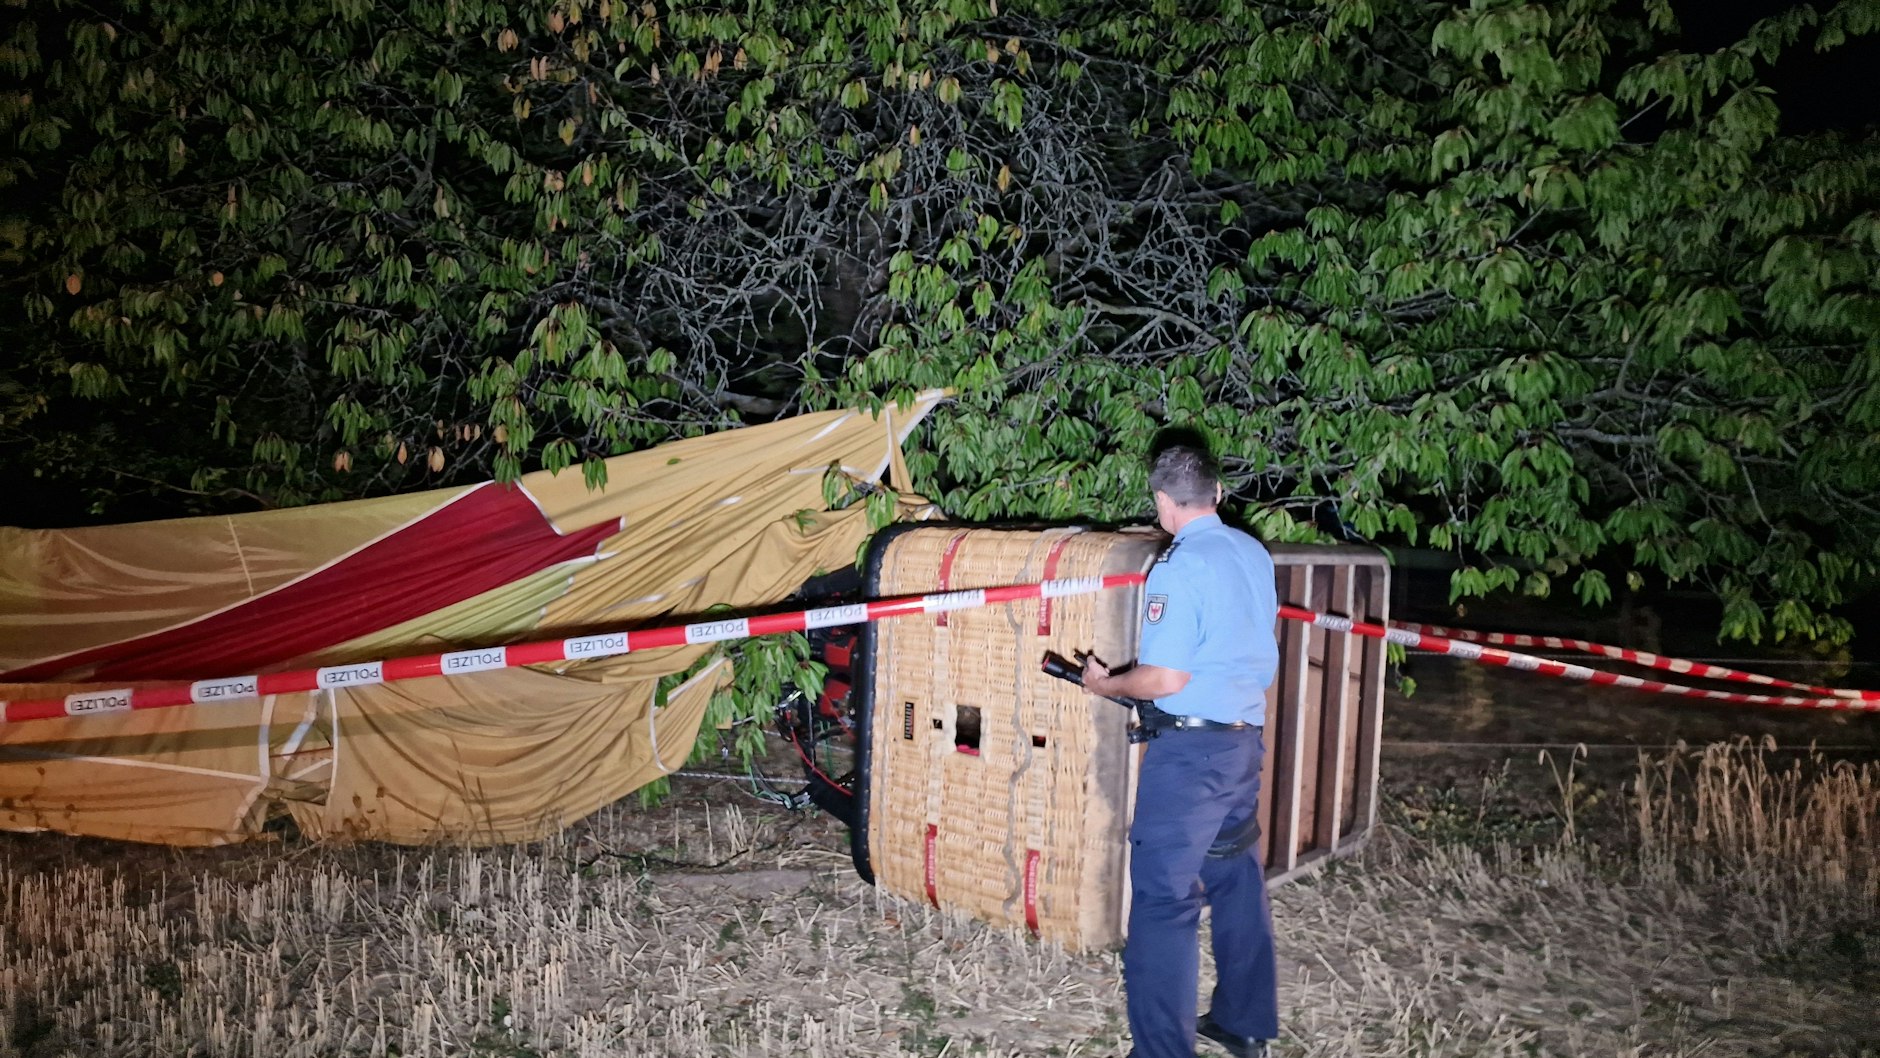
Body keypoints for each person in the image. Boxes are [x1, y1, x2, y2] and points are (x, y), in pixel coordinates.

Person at [1083, 445, 1281, 1058]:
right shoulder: (1252, 551)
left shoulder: (1178, 566)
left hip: (1191, 757)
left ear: (1163, 503)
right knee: (1235, 880)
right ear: (1217, 493)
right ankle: (1244, 1022)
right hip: (1243, 745)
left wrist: (1107, 684)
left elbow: (1166, 678)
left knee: (1164, 902)